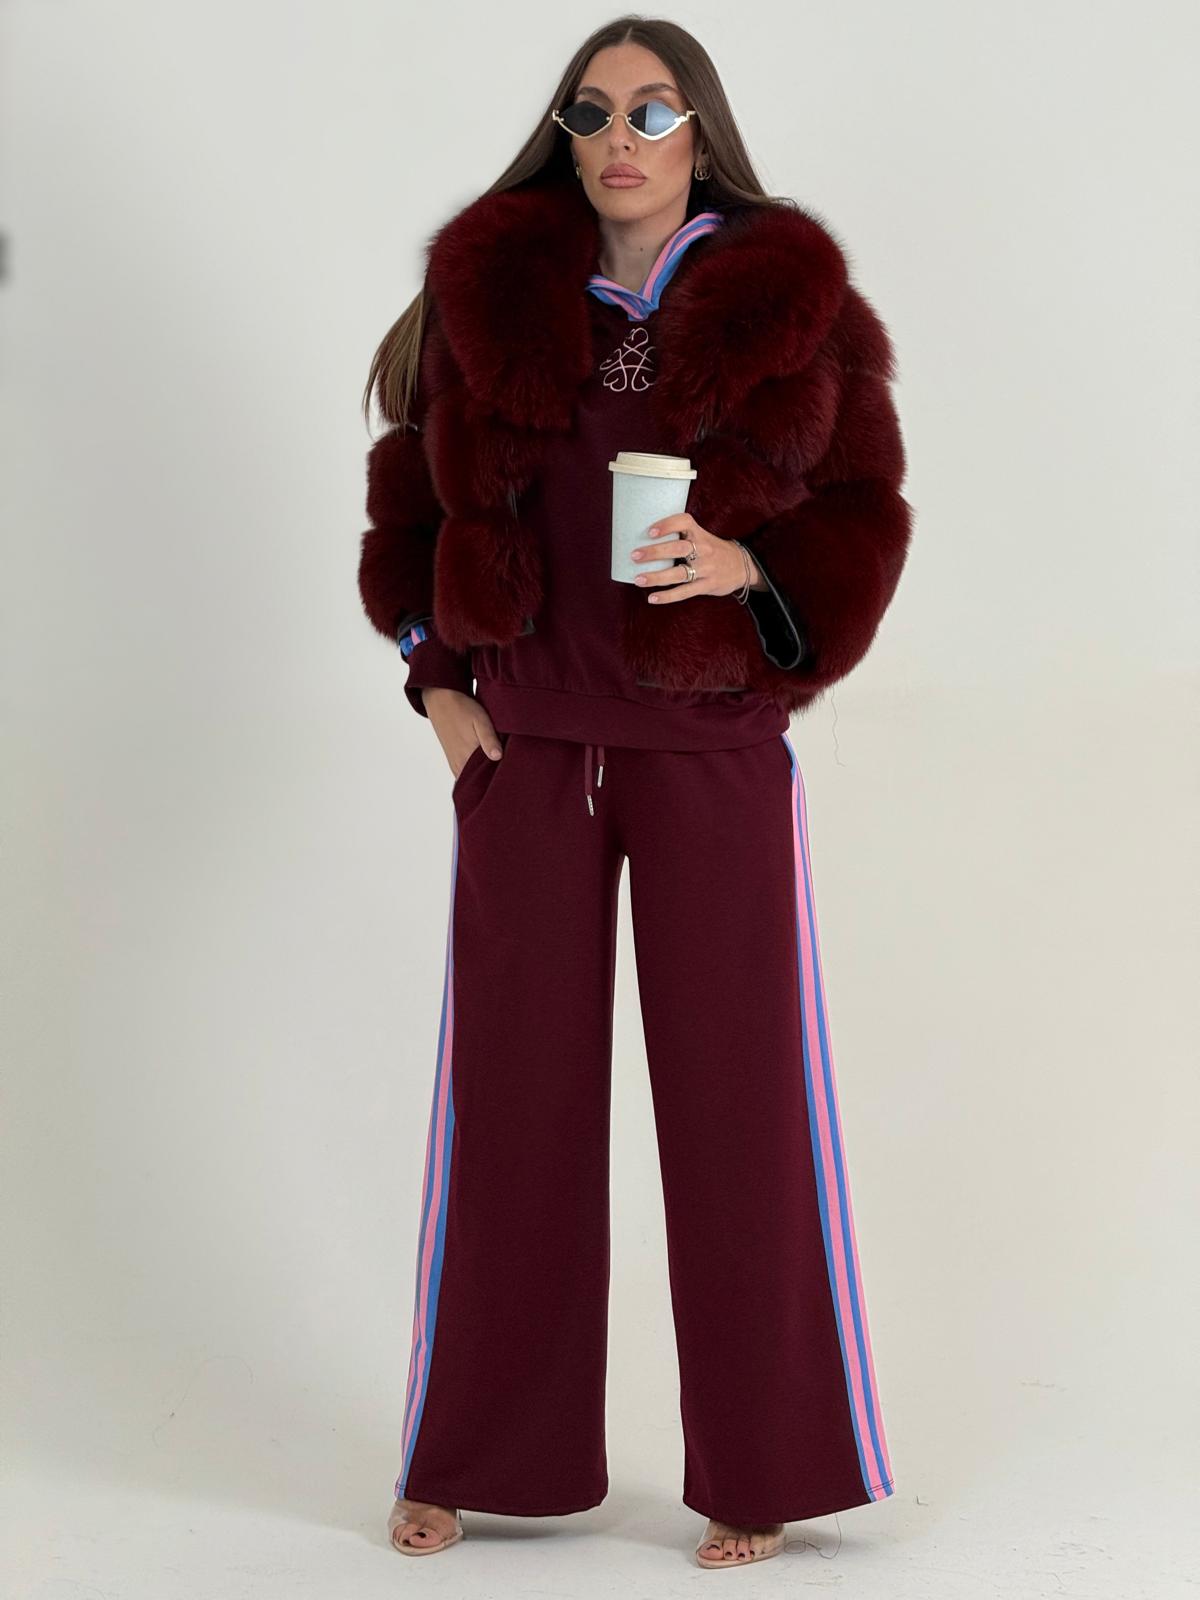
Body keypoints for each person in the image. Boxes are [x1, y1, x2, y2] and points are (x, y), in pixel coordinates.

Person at [358, 16, 912, 1570]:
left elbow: (866, 514)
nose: (620, 136)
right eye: (592, 111)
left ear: (699, 133)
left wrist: (749, 572)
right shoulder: (486, 301)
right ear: (566, 133)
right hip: (529, 757)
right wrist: (441, 692)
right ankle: (474, 1453)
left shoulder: (795, 308)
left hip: (712, 757)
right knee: (512, 1112)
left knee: (743, 1110)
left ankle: (766, 1468)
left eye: (653, 111)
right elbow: (408, 514)